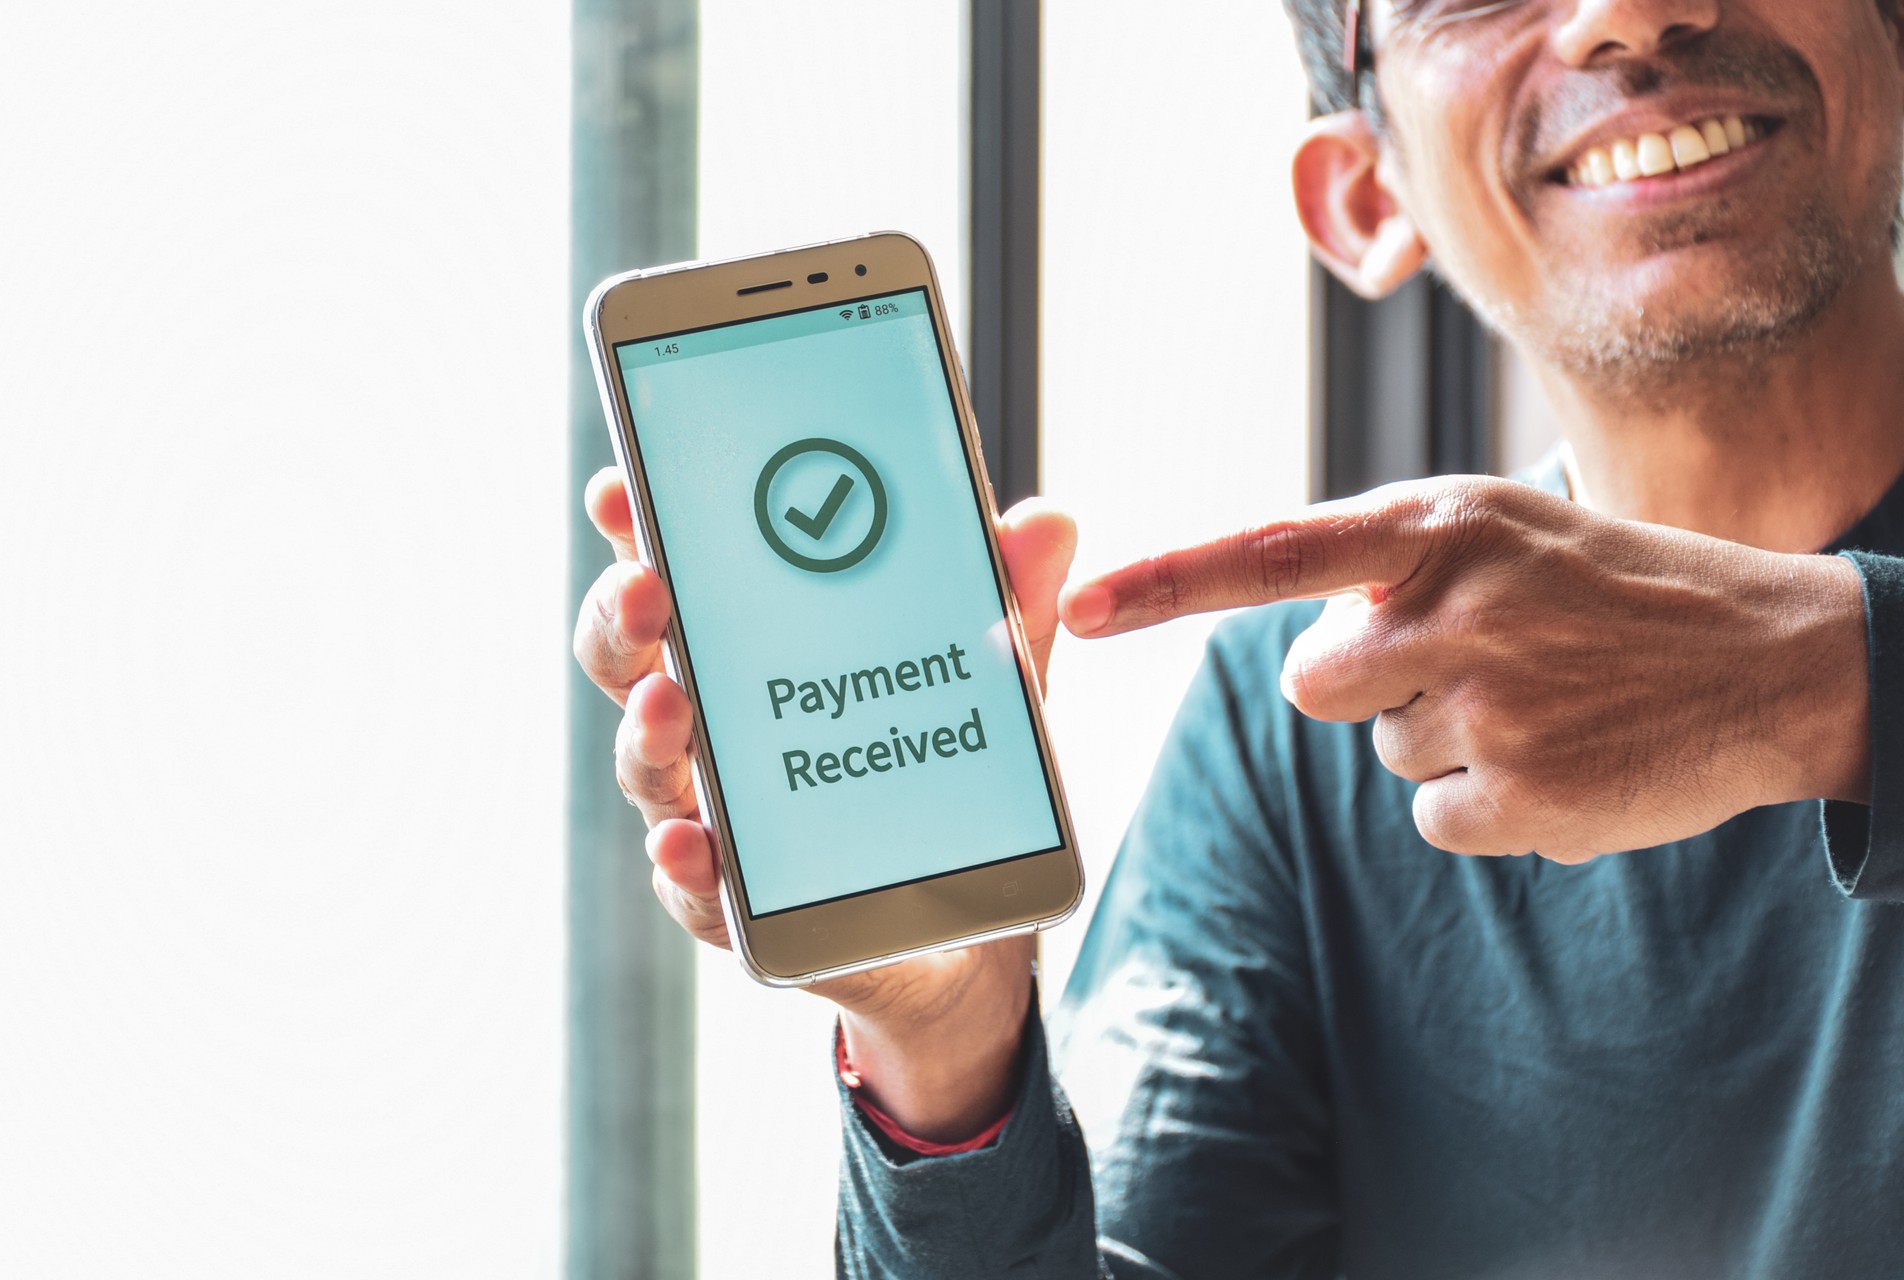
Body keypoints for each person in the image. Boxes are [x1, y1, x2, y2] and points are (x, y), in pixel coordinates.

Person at [574, 0, 1904, 1274]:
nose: (1631, 9)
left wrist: (1832, 677)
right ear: (1365, 200)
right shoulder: (1315, 720)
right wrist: (948, 1047)